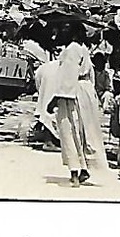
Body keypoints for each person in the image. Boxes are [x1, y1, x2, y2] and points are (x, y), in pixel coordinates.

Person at [46, 24, 105, 186]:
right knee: (83, 131)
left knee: (69, 130)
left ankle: (75, 171)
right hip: (84, 91)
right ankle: (84, 167)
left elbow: (68, 75)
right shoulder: (83, 49)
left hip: (72, 93)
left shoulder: (72, 49)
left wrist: (56, 98)